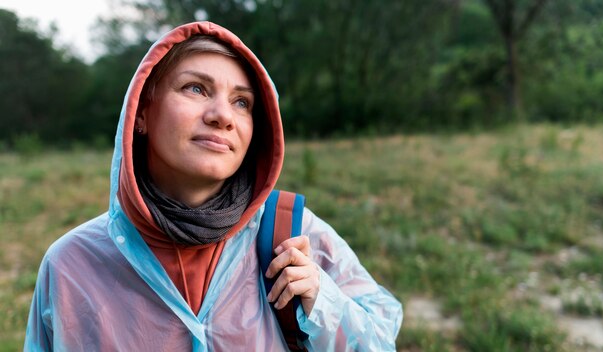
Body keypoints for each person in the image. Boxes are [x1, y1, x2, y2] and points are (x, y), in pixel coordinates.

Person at [24, 21, 402, 351]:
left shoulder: (292, 235)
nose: (222, 116)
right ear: (141, 112)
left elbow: (380, 342)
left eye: (242, 102)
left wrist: (323, 301)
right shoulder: (70, 267)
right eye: (196, 89)